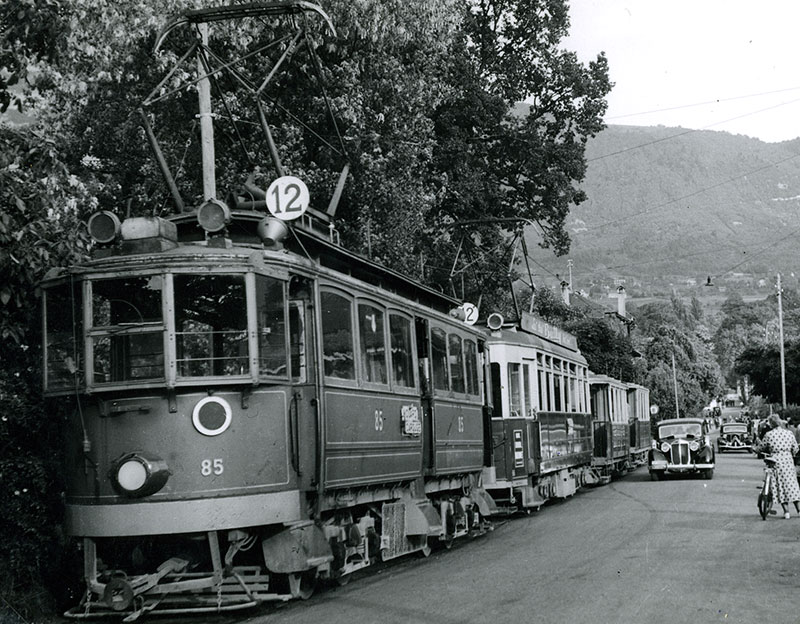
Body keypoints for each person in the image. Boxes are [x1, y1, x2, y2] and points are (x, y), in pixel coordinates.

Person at [755, 414, 800, 519]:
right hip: (788, 461)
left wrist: (756, 449)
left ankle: (786, 512)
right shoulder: (789, 433)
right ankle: (799, 510)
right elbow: (795, 449)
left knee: (780, 487)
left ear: (771, 424)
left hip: (775, 461)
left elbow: (761, 447)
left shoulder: (769, 435)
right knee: (792, 485)